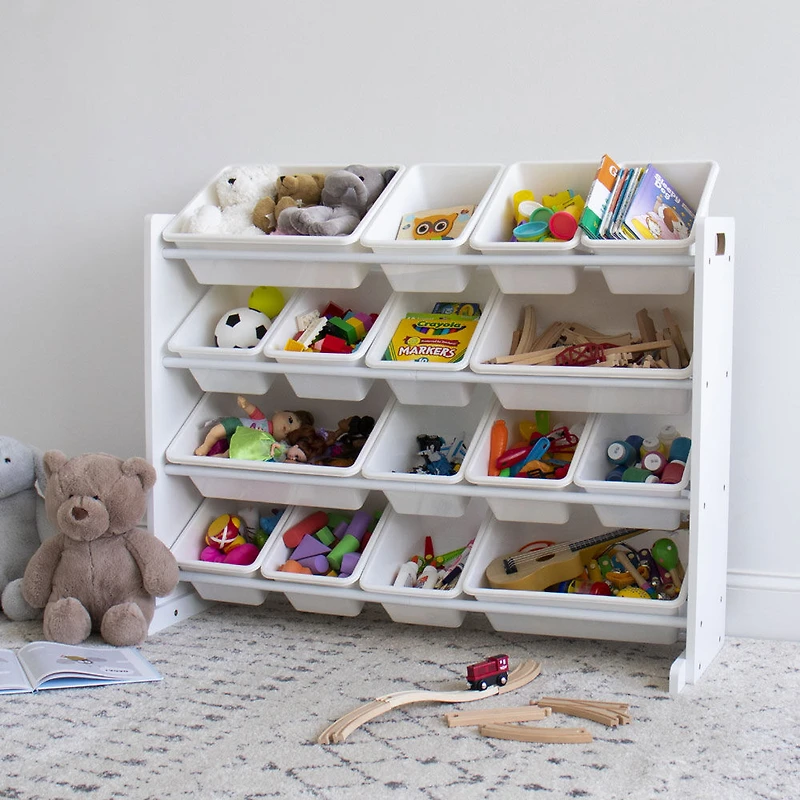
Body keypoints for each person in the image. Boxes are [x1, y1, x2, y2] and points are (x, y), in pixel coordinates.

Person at [195, 395, 313, 457]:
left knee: (234, 452)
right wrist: (245, 404)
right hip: (237, 426)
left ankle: (220, 456)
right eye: (290, 421)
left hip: (241, 442)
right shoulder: (262, 420)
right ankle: (206, 446)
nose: (287, 428)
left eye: (290, 432)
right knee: (217, 431)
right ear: (279, 412)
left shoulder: (270, 440)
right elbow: (253, 411)